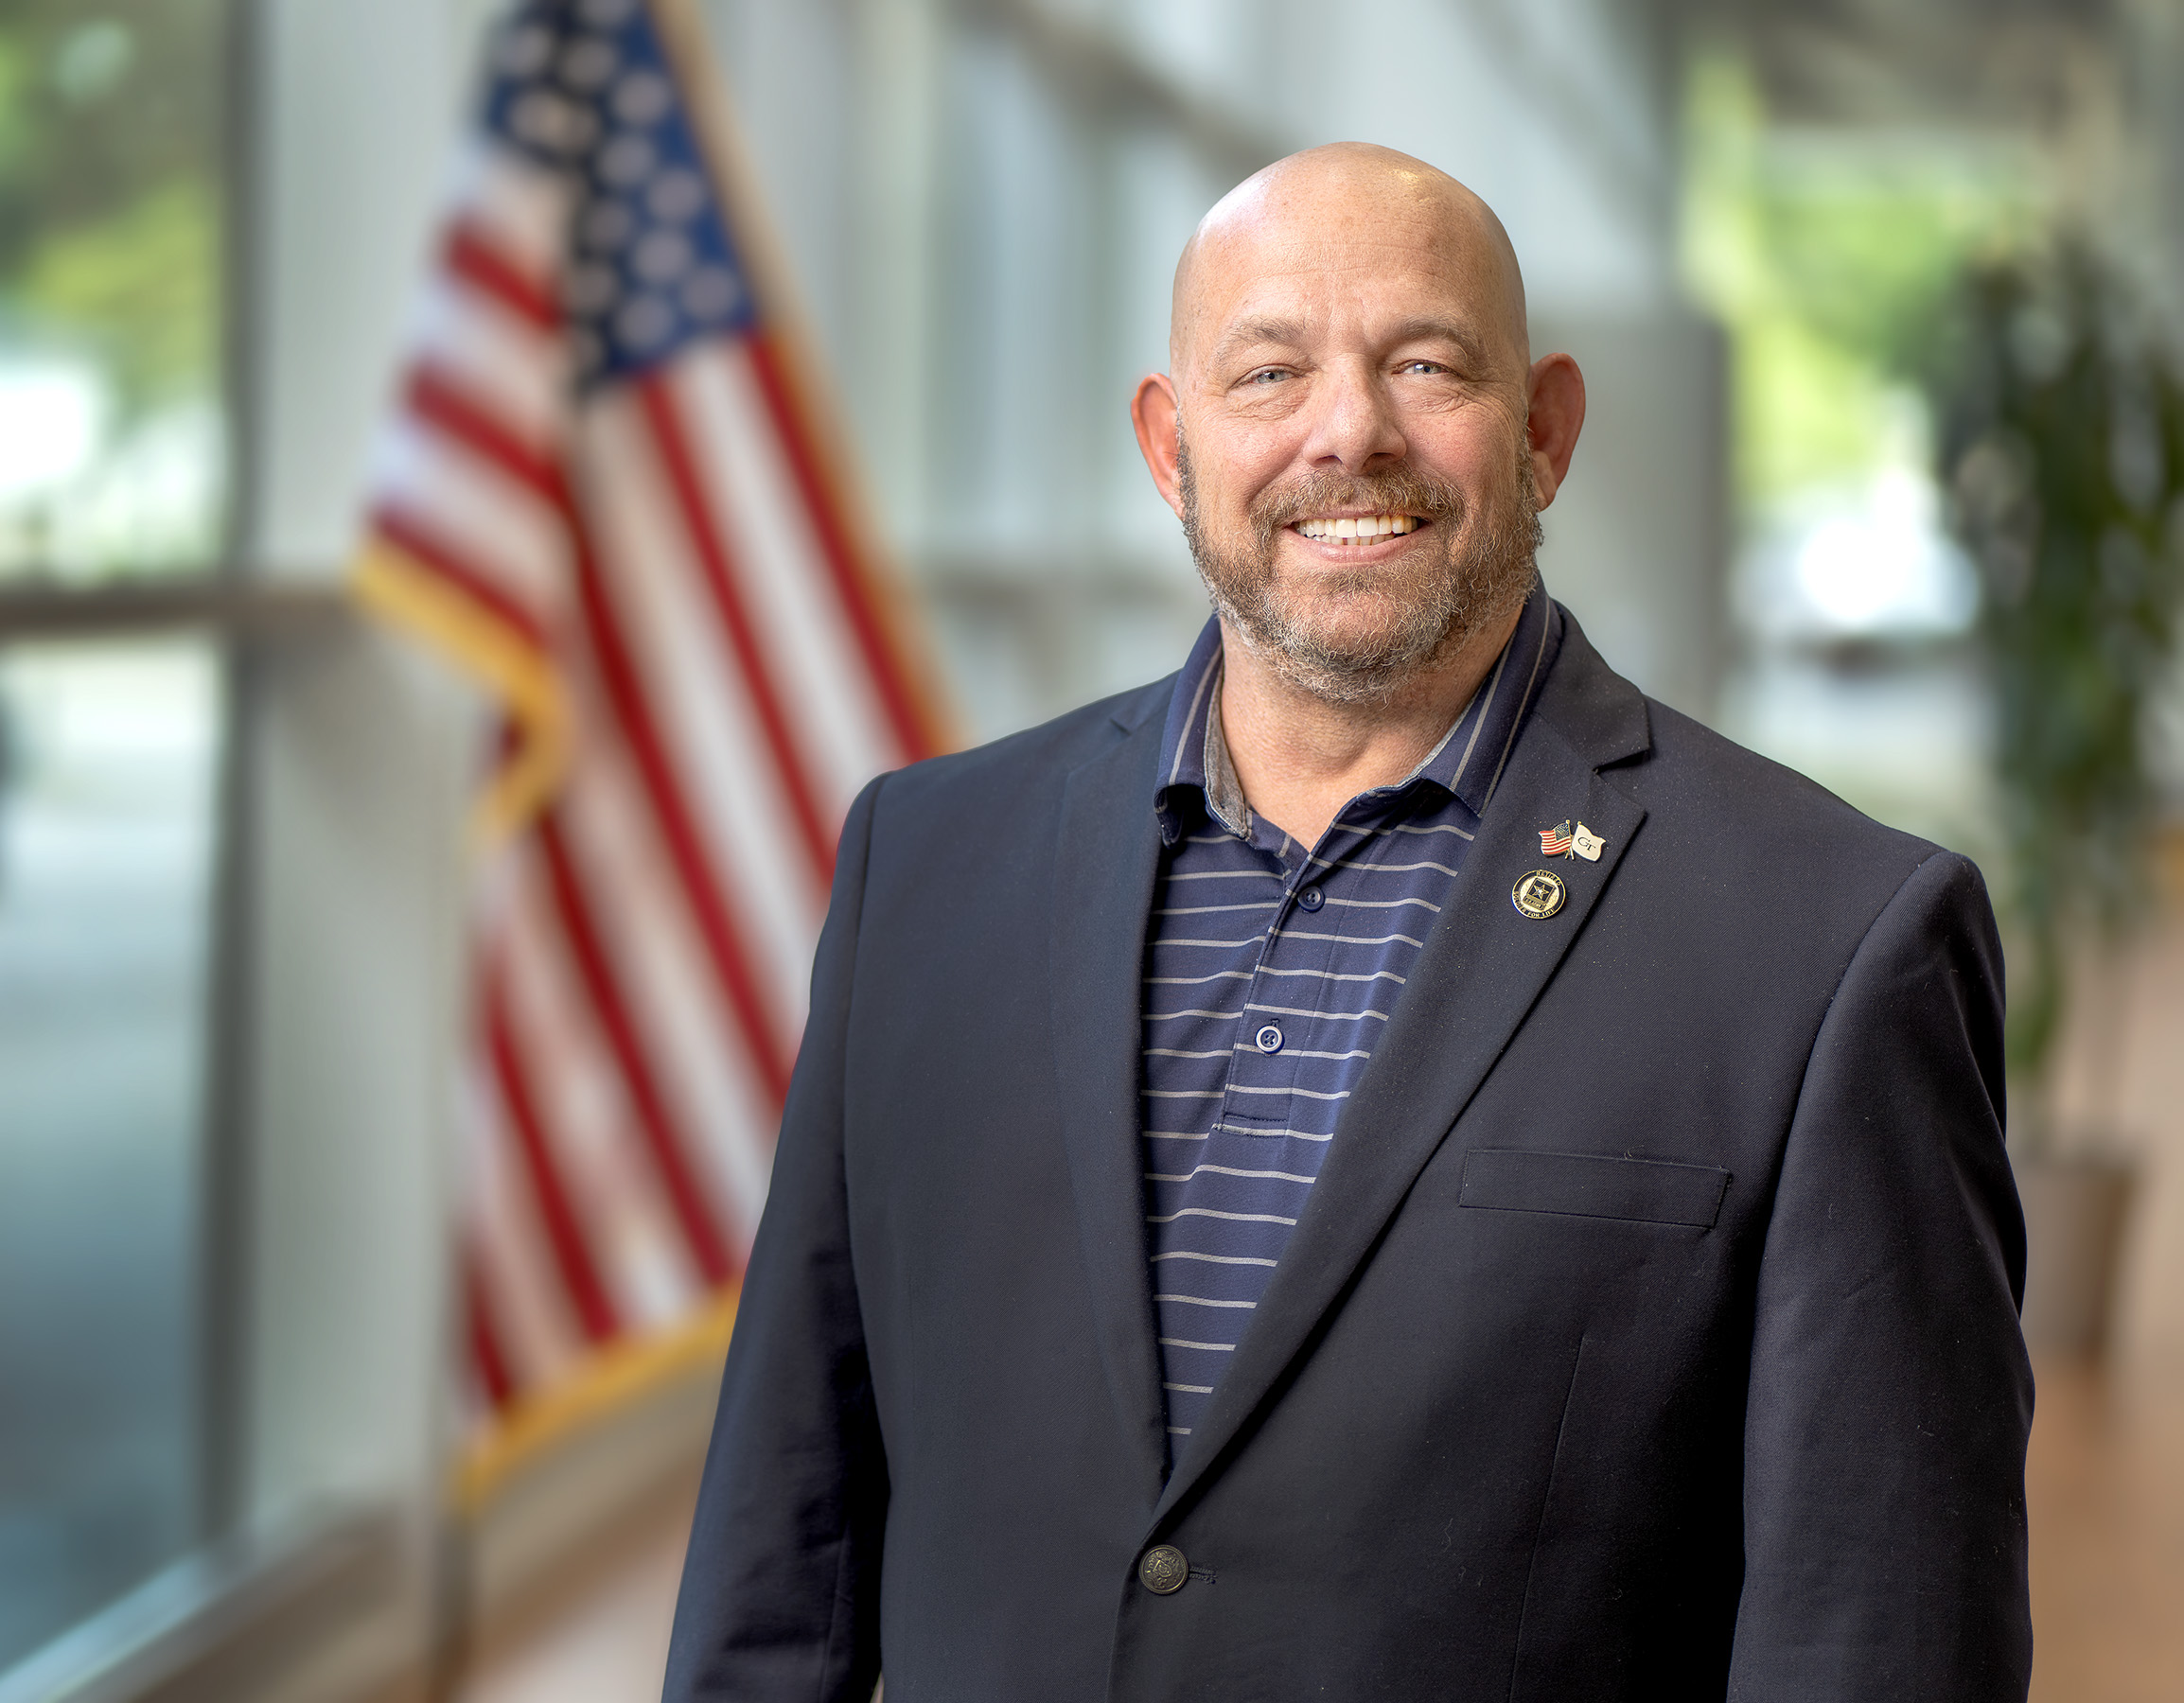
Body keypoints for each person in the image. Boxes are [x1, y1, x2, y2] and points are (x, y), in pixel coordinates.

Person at [661, 143, 2031, 1701]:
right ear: (1170, 447)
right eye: (1269, 372)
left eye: (1426, 363)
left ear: (1546, 431)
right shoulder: (924, 867)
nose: (1348, 433)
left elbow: (1882, 1641)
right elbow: (784, 1561)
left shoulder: (1832, 940)